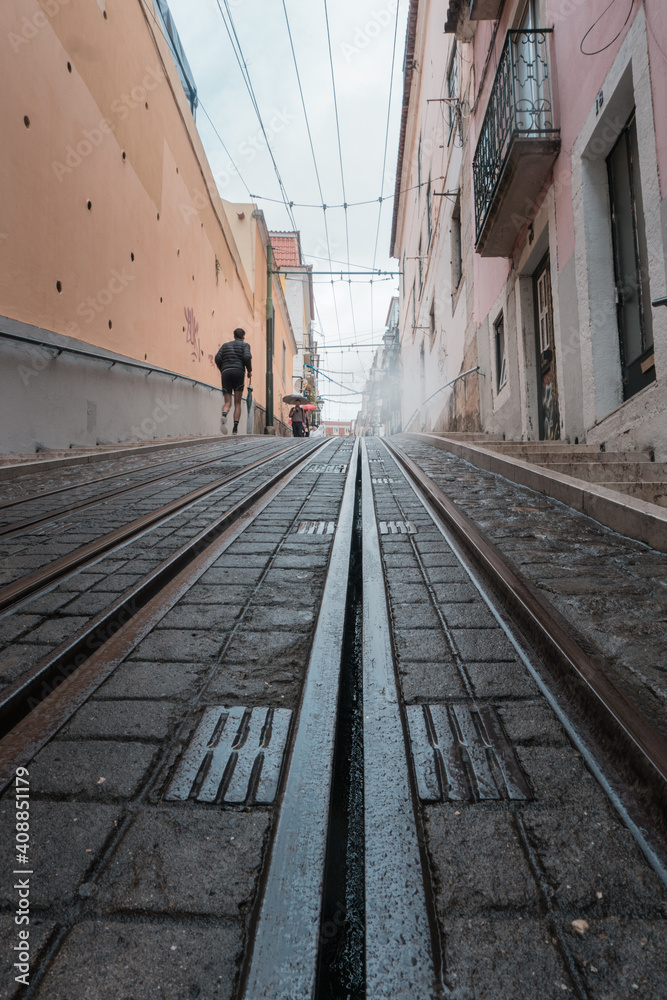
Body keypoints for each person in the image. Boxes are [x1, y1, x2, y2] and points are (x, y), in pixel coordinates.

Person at [214, 328, 252, 435]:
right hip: (238, 372)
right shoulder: (245, 345)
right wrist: (249, 371)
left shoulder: (225, 345)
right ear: (243, 337)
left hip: (226, 372)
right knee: (237, 403)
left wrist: (223, 368)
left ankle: (224, 414)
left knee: (227, 402)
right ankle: (235, 429)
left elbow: (217, 358)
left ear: (234, 336)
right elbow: (247, 356)